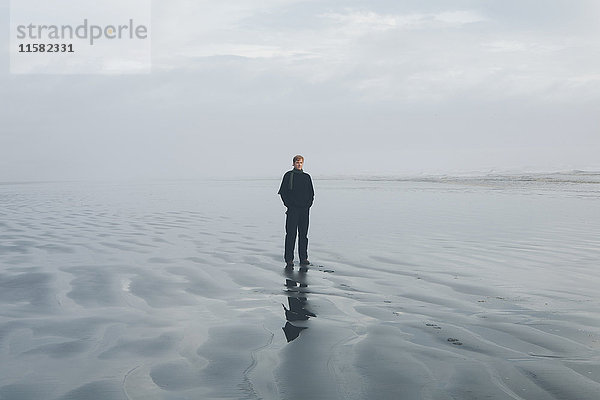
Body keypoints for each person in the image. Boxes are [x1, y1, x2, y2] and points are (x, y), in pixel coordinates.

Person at [278, 155, 314, 268]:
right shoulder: (288, 175)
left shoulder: (307, 177)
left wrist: (308, 204)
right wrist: (289, 204)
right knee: (291, 234)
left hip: (304, 210)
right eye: (297, 162)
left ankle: (303, 257)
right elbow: (283, 192)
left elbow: (311, 193)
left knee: (303, 235)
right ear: (293, 163)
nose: (299, 164)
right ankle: (289, 259)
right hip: (292, 210)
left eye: (301, 162)